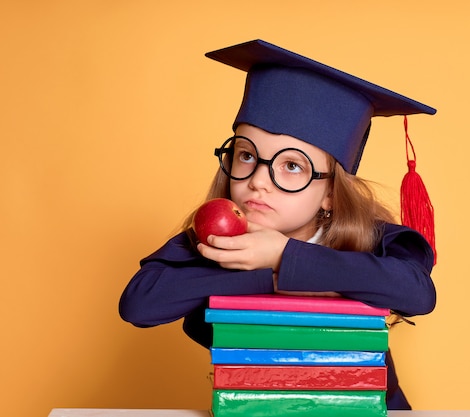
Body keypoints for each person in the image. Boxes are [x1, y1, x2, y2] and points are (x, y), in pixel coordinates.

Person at [119, 39, 437, 410]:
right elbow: (139, 305)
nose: (258, 180)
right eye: (246, 155)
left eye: (291, 165)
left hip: (366, 407)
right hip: (255, 405)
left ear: (330, 193)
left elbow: (419, 295)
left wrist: (286, 258)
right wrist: (266, 272)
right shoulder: (214, 241)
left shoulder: (372, 241)